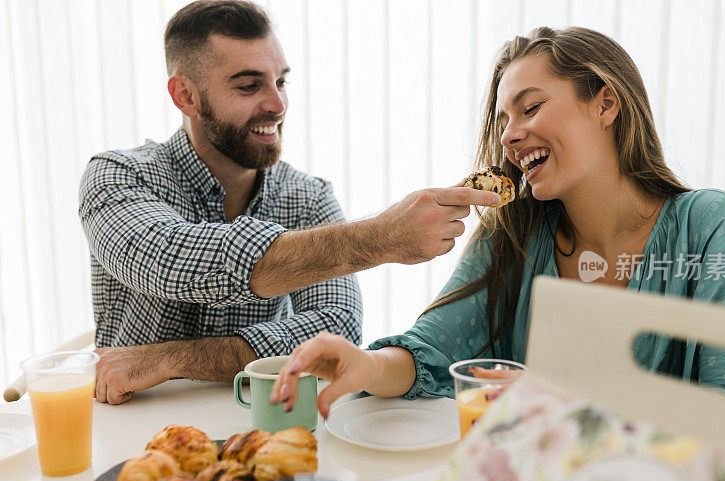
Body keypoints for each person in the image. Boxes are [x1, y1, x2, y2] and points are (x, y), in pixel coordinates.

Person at [271, 26, 725, 418]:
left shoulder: (714, 224)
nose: (510, 136)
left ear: (606, 103)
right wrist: (367, 365)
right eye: (504, 120)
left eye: (530, 107)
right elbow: (434, 349)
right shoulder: (513, 234)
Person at [78, 0, 500, 405]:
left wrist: (172, 359)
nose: (278, 106)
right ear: (185, 95)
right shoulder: (117, 176)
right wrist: (380, 237)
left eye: (281, 81)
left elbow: (338, 325)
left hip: (260, 425)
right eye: (248, 86)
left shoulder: (308, 196)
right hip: (129, 431)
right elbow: (174, 261)